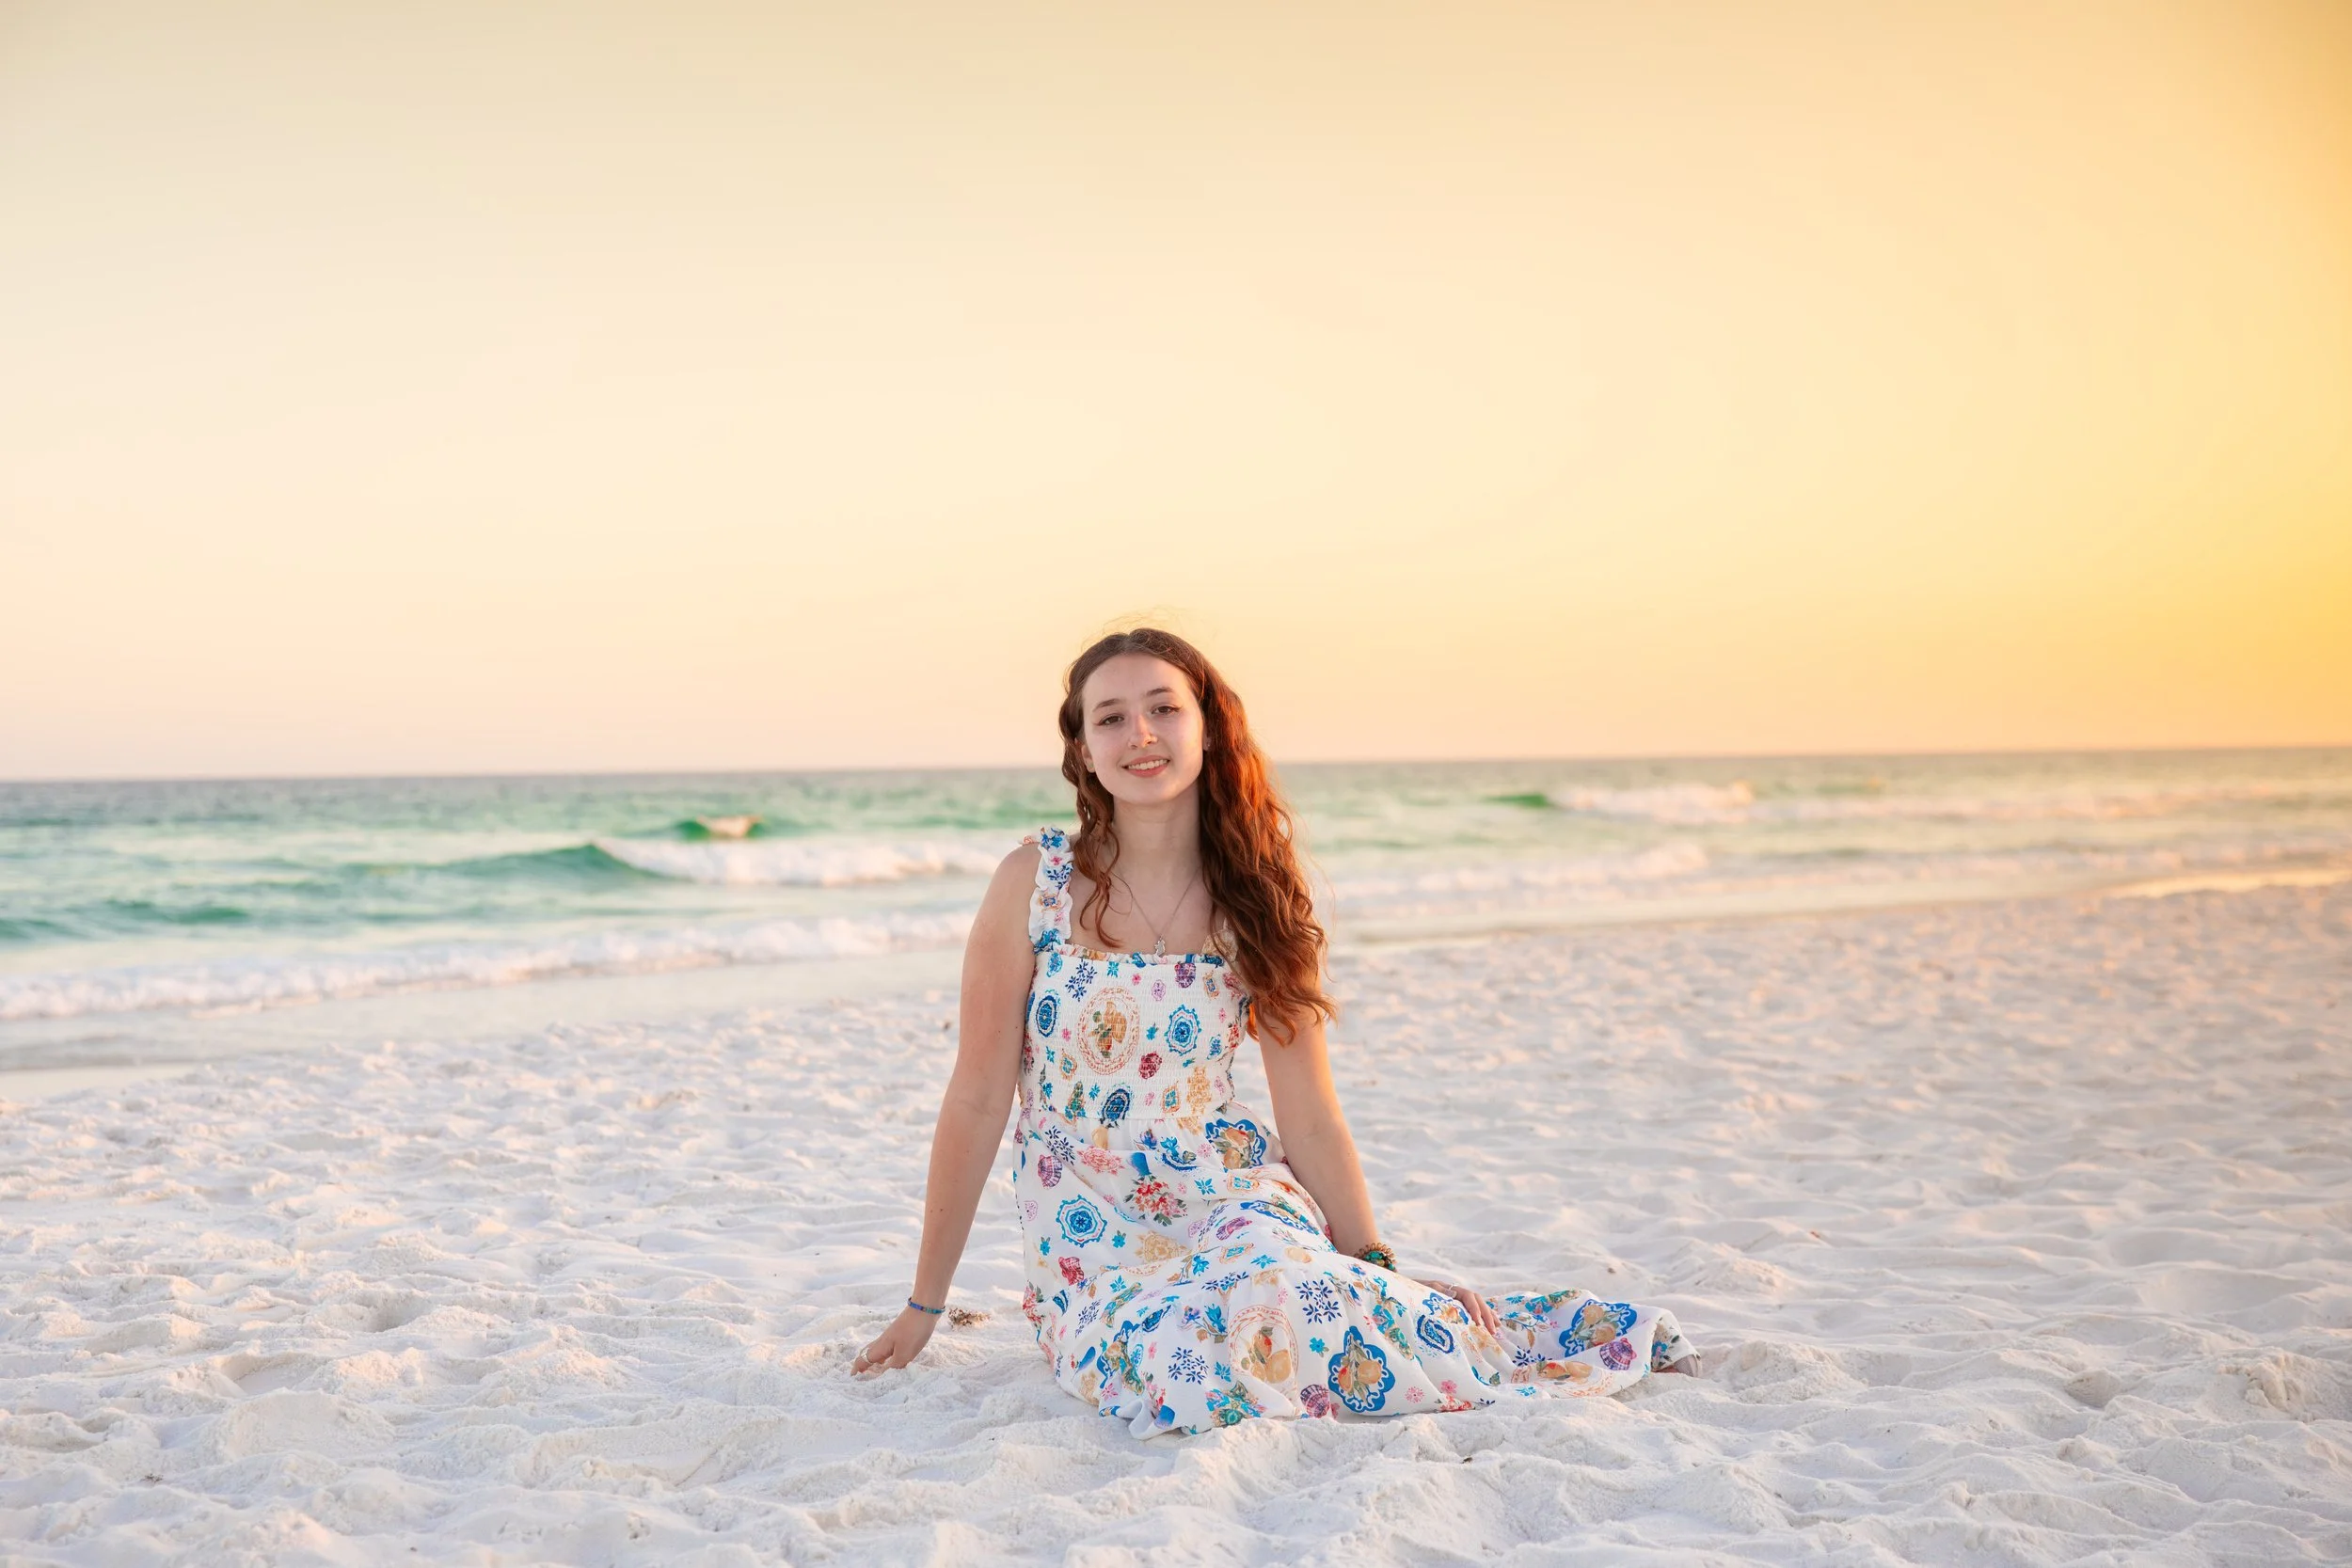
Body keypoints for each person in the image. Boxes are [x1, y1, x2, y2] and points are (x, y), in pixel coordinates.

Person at [852, 627, 1696, 1433]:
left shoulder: (1252, 898)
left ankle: (1395, 1302)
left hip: (1235, 1198)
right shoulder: (1035, 884)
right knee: (1186, 1367)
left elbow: (1311, 1115)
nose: (1140, 733)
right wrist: (926, 1302)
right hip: (1093, 1241)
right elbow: (977, 1096)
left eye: (1164, 708)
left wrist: (1371, 1260)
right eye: (1110, 717)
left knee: (1279, 1289)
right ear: (1082, 748)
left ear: (1208, 727)